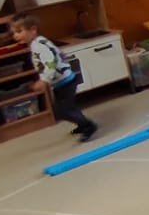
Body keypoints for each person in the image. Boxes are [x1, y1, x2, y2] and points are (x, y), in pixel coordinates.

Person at [11, 14, 97, 142]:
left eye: (19, 31)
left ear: (33, 30)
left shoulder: (39, 45)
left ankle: (89, 126)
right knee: (67, 107)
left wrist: (44, 80)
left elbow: (51, 63)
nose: (15, 36)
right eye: (14, 33)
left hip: (65, 82)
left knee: (62, 111)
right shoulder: (38, 42)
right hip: (61, 81)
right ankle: (82, 124)